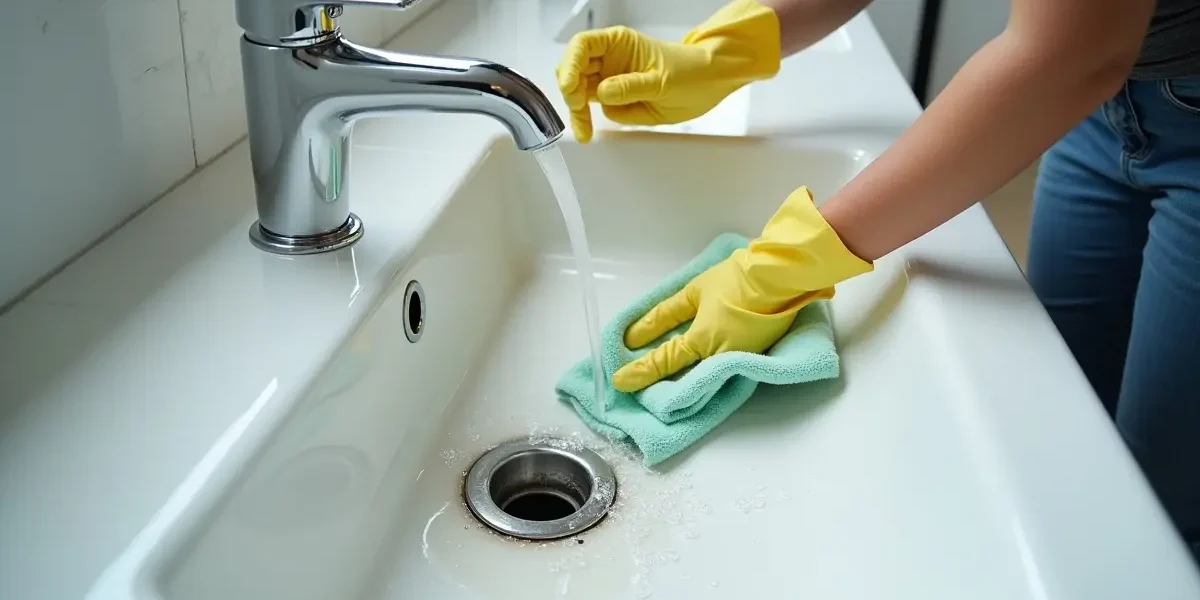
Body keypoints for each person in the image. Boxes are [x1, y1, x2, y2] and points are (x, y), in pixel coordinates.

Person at [555, 0, 1200, 560]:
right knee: (1062, 413)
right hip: (1100, 111)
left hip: (1116, 82)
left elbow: (1071, 53)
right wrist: (726, 50)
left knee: (1158, 497)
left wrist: (783, 267)